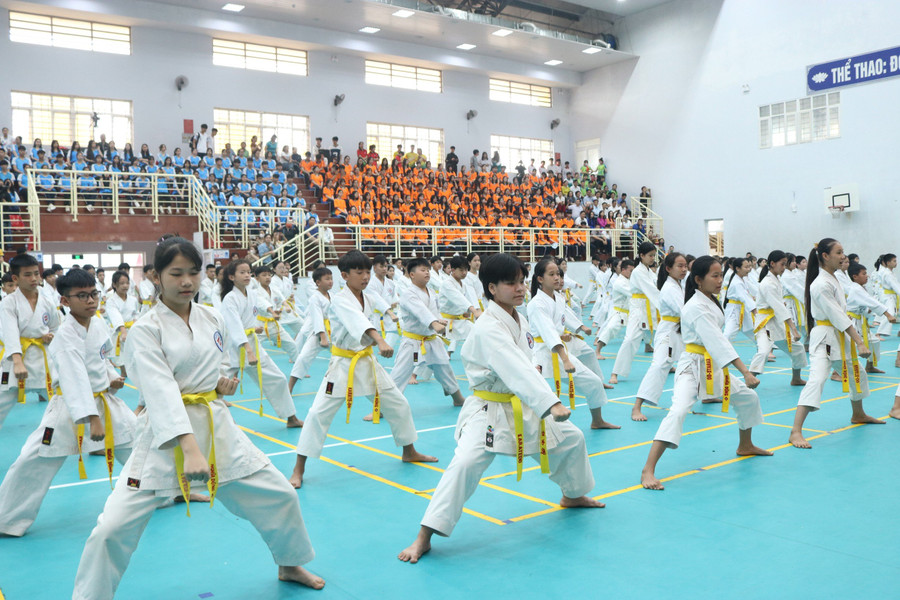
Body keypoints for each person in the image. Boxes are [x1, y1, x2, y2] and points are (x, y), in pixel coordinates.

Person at [72, 237, 323, 598]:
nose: (187, 281)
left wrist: (219, 383)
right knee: (111, 528)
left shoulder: (211, 316)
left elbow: (209, 366)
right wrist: (189, 449)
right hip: (165, 437)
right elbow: (161, 391)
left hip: (216, 425)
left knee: (280, 494)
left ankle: (290, 563)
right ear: (156, 277)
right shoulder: (145, 329)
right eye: (176, 274)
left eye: (193, 272)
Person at [397, 253, 603, 564]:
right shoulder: (488, 326)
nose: (520, 288)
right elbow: (514, 365)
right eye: (511, 283)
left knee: (571, 439)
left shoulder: (519, 317)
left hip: (522, 403)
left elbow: (526, 364)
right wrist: (551, 402)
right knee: (465, 464)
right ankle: (424, 536)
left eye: (521, 282)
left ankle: (572, 495)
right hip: (490, 408)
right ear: (492, 288)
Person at [0, 269, 137, 536]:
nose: (91, 300)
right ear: (64, 301)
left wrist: (112, 377)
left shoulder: (98, 323)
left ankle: (165, 493)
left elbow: (103, 359)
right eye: (82, 296)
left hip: (104, 401)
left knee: (138, 446)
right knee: (33, 460)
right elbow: (75, 379)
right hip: (69, 408)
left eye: (94, 294)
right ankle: (6, 519)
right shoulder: (65, 336)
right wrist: (92, 418)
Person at [289, 250, 437, 488]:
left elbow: (383, 307)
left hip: (367, 362)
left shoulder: (367, 296)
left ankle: (409, 451)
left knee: (398, 404)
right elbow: (358, 321)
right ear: (345, 275)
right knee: (317, 414)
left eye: (367, 272)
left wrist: (393, 315)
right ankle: (298, 469)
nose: (365, 277)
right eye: (359, 272)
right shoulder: (340, 299)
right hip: (342, 365)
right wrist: (380, 340)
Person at [640, 256, 770, 490]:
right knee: (678, 410)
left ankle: (745, 445)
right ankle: (648, 470)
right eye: (715, 276)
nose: (720, 280)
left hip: (712, 366)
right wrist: (745, 372)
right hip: (692, 366)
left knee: (748, 398)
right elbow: (718, 341)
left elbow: (718, 343)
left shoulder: (709, 299)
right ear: (699, 280)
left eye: (721, 275)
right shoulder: (696, 307)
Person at [789, 239, 882, 449]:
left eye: (843, 252)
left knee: (858, 374)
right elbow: (837, 315)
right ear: (825, 256)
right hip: (825, 338)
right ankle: (795, 431)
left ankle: (858, 414)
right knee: (817, 379)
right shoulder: (821, 284)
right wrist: (859, 342)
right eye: (839, 253)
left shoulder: (834, 278)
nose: (843, 257)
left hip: (839, 337)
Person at [528, 258, 618, 430]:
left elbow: (565, 317)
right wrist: (566, 359)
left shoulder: (557, 297)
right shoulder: (536, 304)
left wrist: (580, 327)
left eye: (558, 274)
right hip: (545, 354)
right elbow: (548, 332)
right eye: (552, 274)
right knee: (538, 394)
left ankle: (597, 421)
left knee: (594, 382)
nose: (557, 278)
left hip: (560, 349)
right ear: (540, 279)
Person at [220, 260, 303, 428]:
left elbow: (251, 316)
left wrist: (254, 328)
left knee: (278, 378)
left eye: (248, 272)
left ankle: (291, 417)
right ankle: (217, 422)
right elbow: (235, 327)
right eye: (242, 272)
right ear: (231, 277)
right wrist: (249, 351)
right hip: (233, 347)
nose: (247, 275)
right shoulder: (230, 299)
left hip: (251, 341)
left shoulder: (251, 293)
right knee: (215, 384)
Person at [390, 257, 466, 407]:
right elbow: (420, 311)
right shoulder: (408, 294)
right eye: (423, 270)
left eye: (428, 270)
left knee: (445, 369)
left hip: (431, 339)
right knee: (399, 374)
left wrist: (438, 320)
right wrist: (433, 323)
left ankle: (458, 398)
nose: (427, 273)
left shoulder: (431, 291)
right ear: (412, 274)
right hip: (413, 341)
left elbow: (433, 311)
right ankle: (382, 408)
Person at [0, 253, 59, 430]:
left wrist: (50, 336)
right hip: (17, 359)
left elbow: (56, 327)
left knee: (63, 402)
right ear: (15, 278)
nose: (34, 278)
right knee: (2, 401)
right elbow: (10, 333)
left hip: (43, 360)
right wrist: (18, 362)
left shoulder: (47, 301)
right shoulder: (9, 303)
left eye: (36, 273)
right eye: (27, 275)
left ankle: (79, 439)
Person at [632, 252, 688, 421]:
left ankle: (708, 394)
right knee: (659, 366)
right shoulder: (669, 288)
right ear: (668, 268)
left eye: (685, 266)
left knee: (698, 360)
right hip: (669, 332)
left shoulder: (678, 285)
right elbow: (683, 311)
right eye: (680, 266)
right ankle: (636, 407)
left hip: (680, 330)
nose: (684, 269)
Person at [748, 250, 807, 387]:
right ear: (772, 263)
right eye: (782, 264)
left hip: (776, 321)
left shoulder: (775, 279)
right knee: (763, 351)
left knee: (797, 348)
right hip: (765, 323)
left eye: (785, 264)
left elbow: (779, 305)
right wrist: (794, 329)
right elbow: (779, 307)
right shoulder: (768, 283)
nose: (784, 267)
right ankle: (749, 380)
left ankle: (796, 378)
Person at [610, 242, 659, 384]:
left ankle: (666, 365)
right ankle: (615, 373)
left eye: (654, 256)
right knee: (630, 339)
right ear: (642, 255)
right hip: (639, 308)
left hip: (651, 307)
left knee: (662, 338)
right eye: (650, 255)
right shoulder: (638, 272)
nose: (652, 258)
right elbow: (652, 291)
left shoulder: (650, 272)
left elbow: (656, 288)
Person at [288, 267, 333, 394]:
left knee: (341, 359)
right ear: (318, 282)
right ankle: (289, 387)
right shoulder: (315, 298)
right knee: (303, 358)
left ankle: (332, 389)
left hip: (334, 332)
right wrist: (322, 337)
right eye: (327, 279)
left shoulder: (333, 296)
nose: (330, 281)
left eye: (331, 278)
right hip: (319, 333)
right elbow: (317, 319)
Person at [846, 262, 894, 374]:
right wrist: (887, 314)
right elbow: (871, 302)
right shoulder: (856, 289)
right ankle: (836, 372)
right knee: (848, 346)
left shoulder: (861, 288)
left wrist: (868, 311)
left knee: (874, 341)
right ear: (855, 276)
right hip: (851, 321)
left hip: (860, 321)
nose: (867, 276)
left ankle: (870, 366)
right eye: (864, 274)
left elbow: (867, 304)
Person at [254, 264, 300, 363]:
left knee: (291, 345)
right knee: (253, 348)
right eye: (264, 275)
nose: (267, 277)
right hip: (260, 326)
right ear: (257, 278)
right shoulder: (255, 292)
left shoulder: (274, 289)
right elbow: (262, 304)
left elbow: (280, 300)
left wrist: (283, 307)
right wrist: (273, 312)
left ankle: (298, 367)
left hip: (274, 325)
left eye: (269, 275)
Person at [595, 259, 633, 360]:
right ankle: (597, 351)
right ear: (623, 270)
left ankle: (648, 345)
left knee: (643, 328)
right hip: (619, 312)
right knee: (610, 328)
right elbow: (632, 293)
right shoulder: (619, 282)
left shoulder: (629, 280)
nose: (632, 273)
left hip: (630, 312)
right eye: (630, 271)